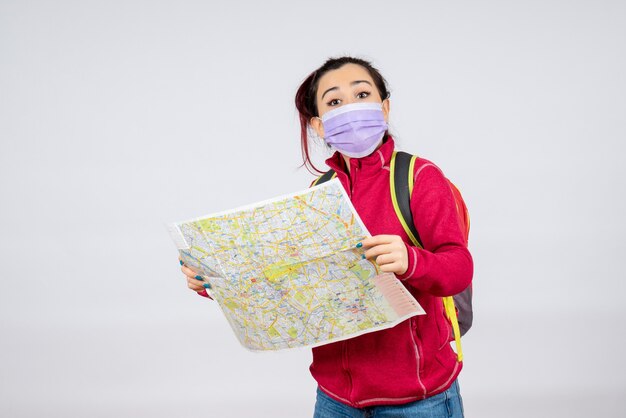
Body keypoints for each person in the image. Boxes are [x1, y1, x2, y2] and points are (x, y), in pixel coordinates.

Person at [181, 56, 473, 417]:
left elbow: (458, 268)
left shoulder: (419, 176)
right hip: (335, 399)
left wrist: (410, 259)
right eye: (334, 102)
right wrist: (218, 283)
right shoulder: (319, 193)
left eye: (362, 94)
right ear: (319, 125)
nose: (350, 108)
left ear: (384, 107)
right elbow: (298, 286)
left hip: (419, 398)